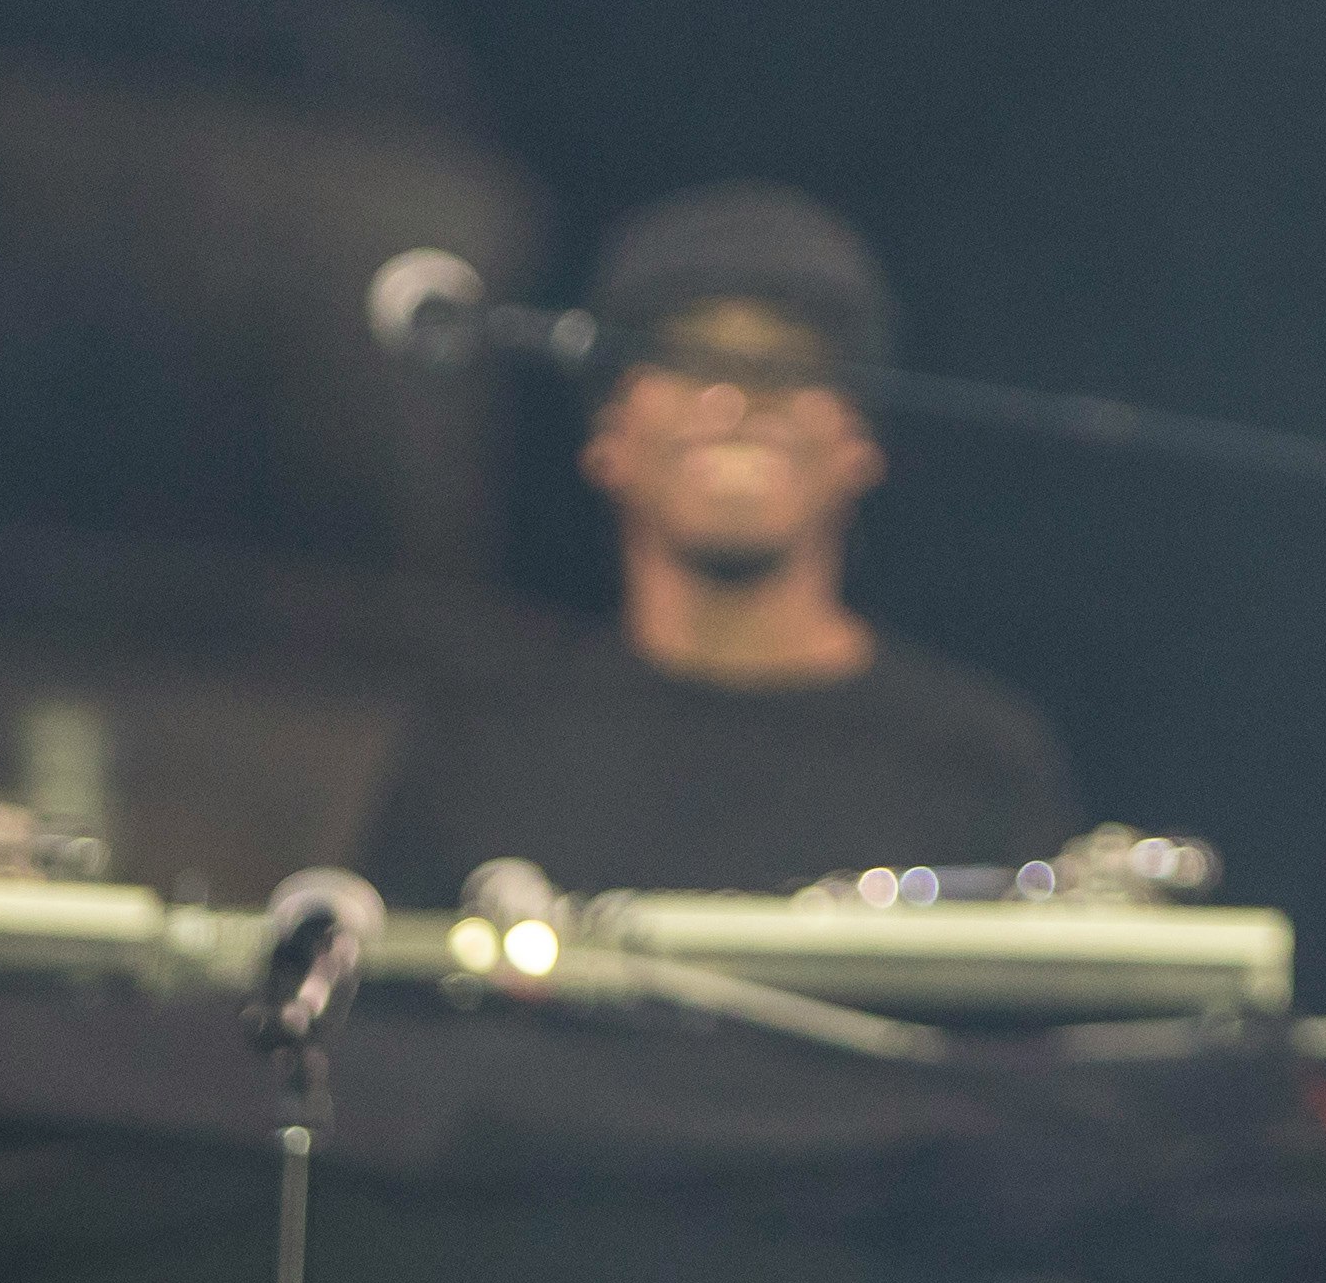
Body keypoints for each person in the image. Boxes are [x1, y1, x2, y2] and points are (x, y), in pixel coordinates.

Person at [355, 179, 1079, 904]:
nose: (735, 402)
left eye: (788, 364)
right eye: (685, 358)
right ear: (609, 435)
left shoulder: (975, 761)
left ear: (858, 440)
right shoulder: (483, 741)